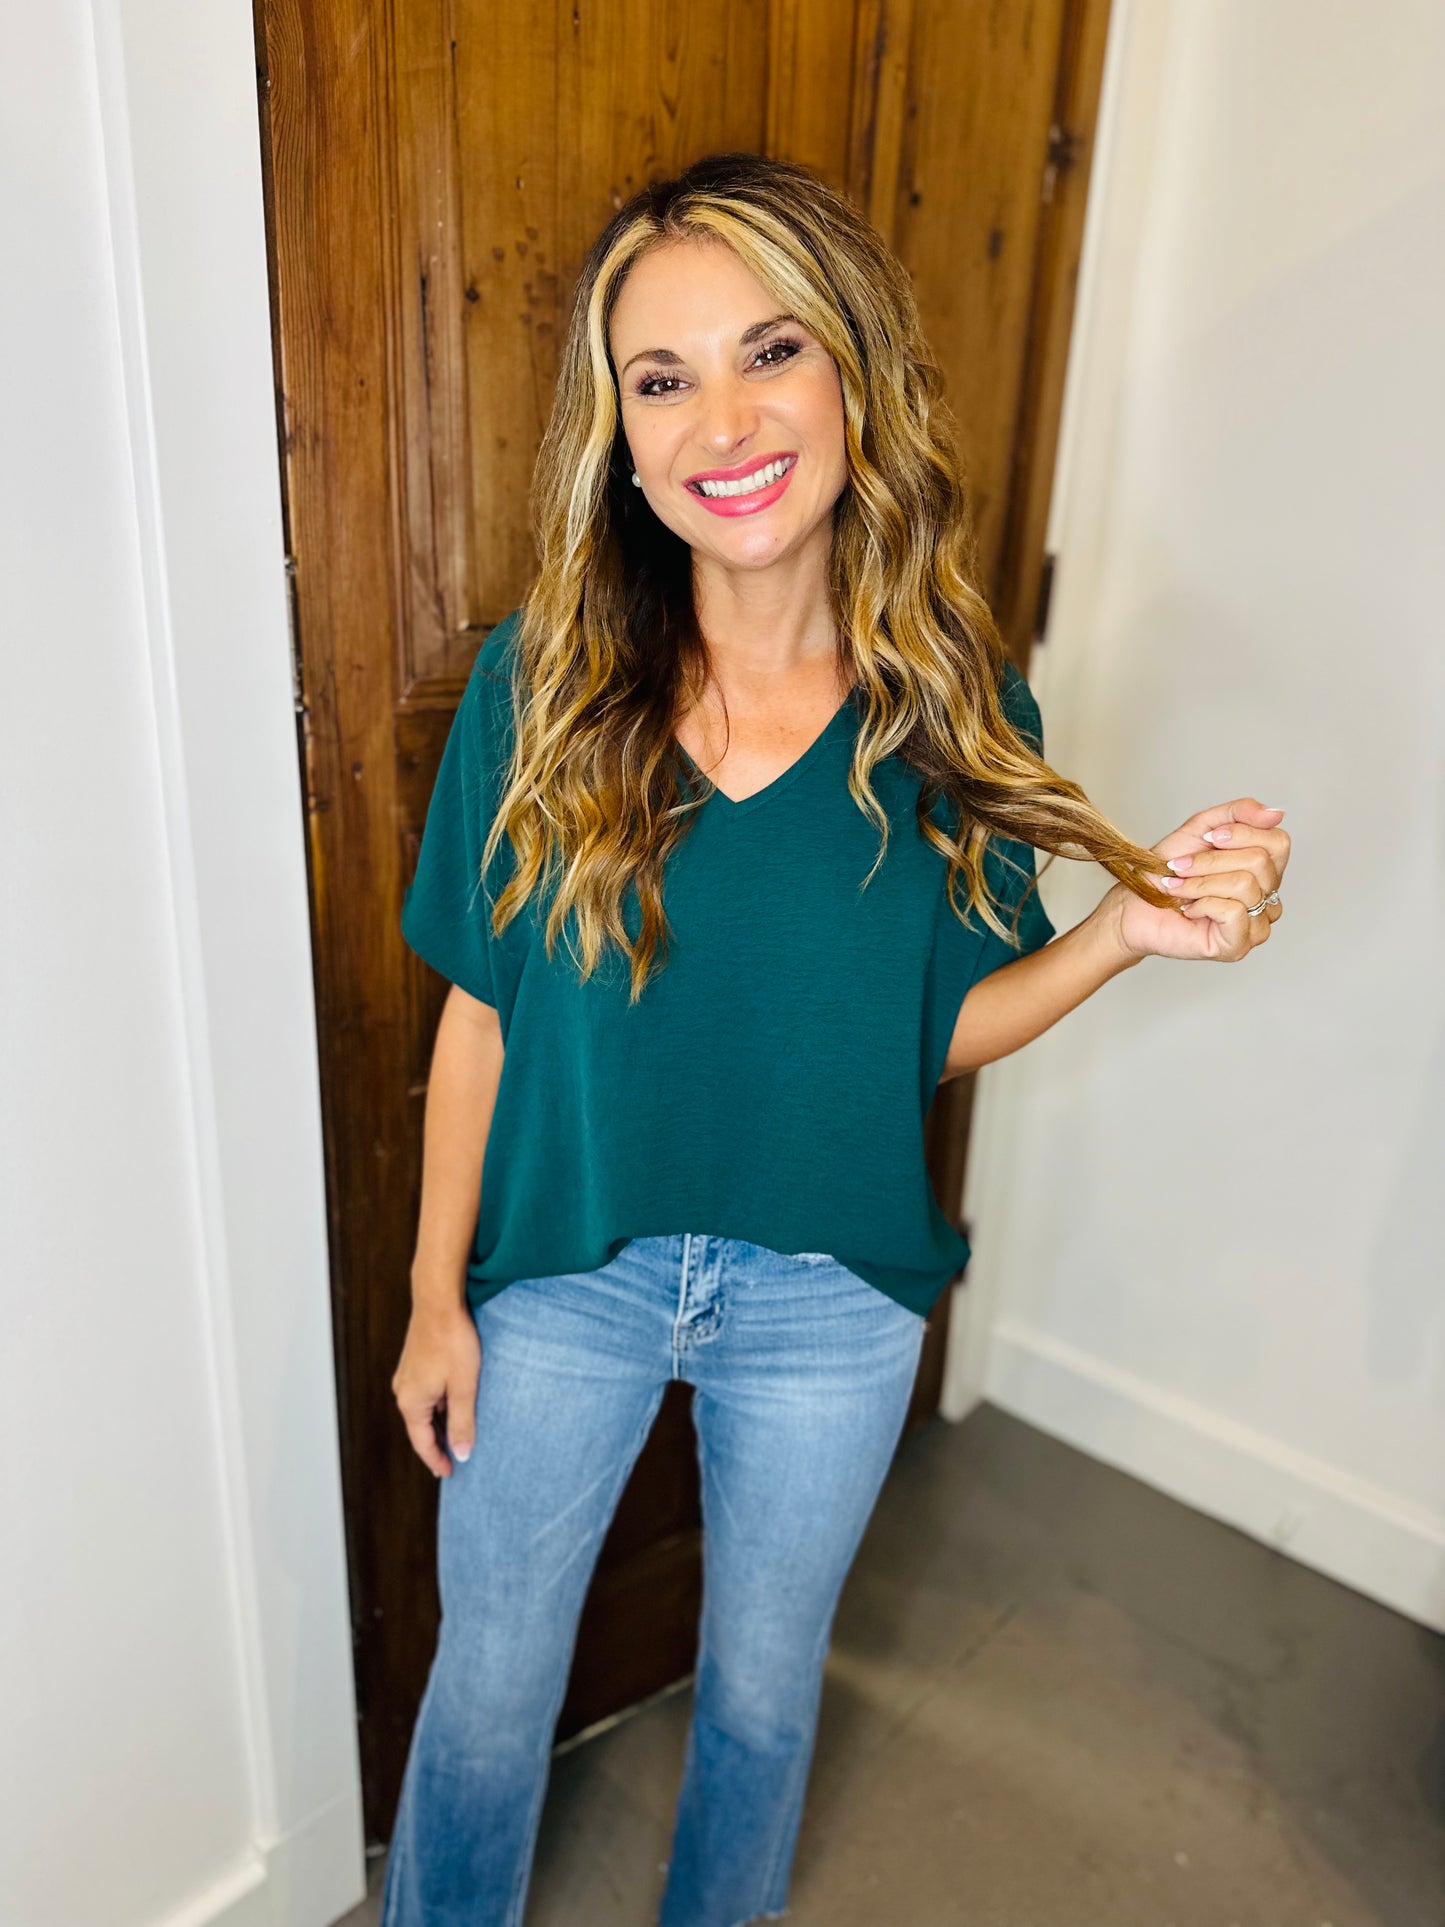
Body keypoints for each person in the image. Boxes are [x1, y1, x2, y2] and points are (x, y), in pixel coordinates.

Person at [380, 152, 1288, 1927]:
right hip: (563, 1271)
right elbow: (480, 1009)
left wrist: (1121, 934)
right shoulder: (538, 687)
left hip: (828, 1300)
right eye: (662, 378)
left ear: (852, 374)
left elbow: (922, 1034)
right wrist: (433, 1296)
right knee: (484, 1691)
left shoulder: (958, 709)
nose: (721, 418)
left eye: (770, 349)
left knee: (762, 1695)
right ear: (622, 440)